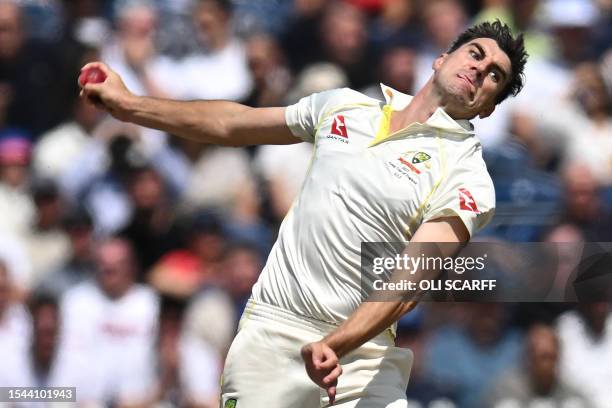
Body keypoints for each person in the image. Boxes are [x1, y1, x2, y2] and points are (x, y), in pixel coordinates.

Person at [79, 20, 528, 408]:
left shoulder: (468, 176)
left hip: (363, 359)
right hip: (272, 334)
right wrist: (129, 104)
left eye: (494, 76)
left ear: (488, 106)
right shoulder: (345, 106)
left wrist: (337, 343)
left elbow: (412, 279)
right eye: (475, 54)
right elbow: (230, 124)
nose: (479, 69)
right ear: (441, 58)